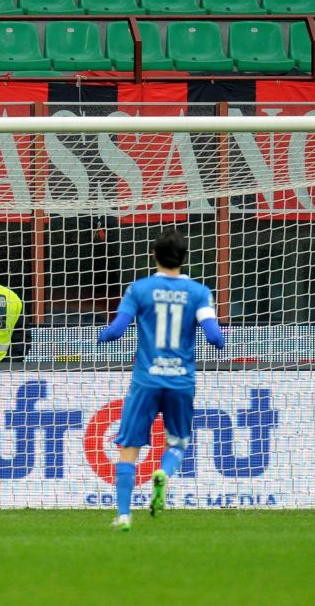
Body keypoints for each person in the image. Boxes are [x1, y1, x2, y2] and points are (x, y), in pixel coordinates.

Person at [98, 228, 226, 531]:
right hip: (180, 380)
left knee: (129, 447)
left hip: (147, 380)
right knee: (178, 442)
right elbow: (215, 337)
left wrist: (102, 337)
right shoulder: (199, 292)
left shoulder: (139, 289)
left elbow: (116, 330)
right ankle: (163, 475)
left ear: (154, 255)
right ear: (183, 258)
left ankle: (124, 515)